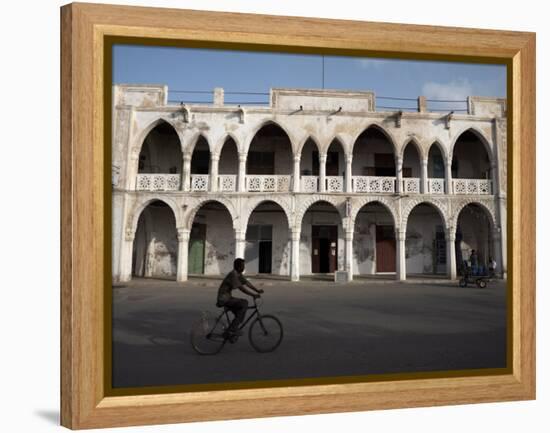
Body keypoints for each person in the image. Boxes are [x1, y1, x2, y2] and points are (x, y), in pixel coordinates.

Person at [216, 258, 264, 336]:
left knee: (240, 312)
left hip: (227, 297)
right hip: (224, 299)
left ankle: (232, 330)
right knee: (244, 303)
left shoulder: (238, 274)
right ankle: (232, 329)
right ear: (238, 267)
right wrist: (253, 295)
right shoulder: (233, 275)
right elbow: (241, 288)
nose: (244, 267)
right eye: (242, 266)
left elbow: (246, 283)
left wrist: (257, 290)